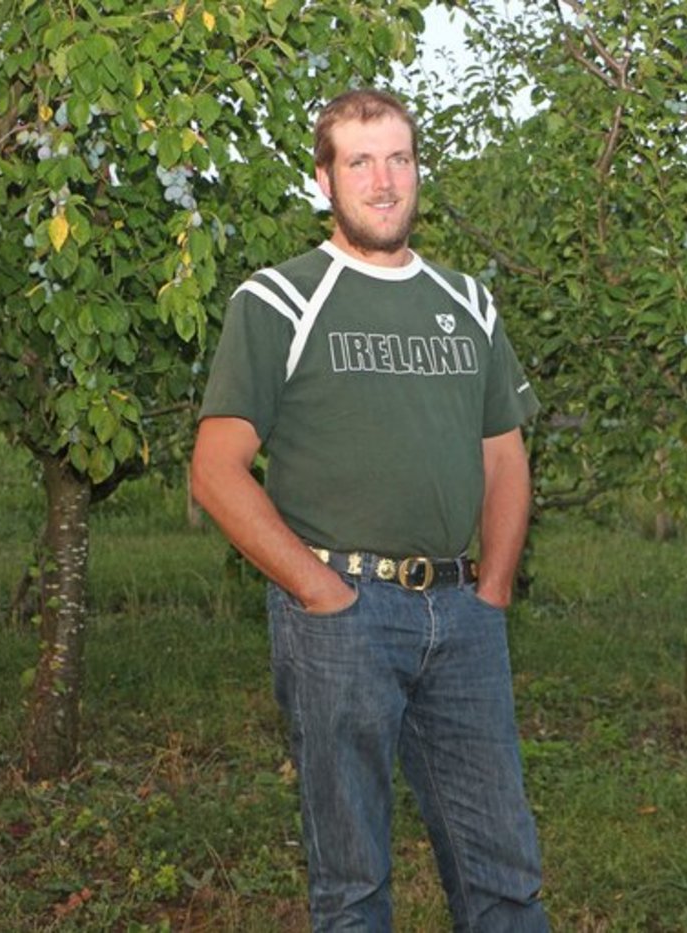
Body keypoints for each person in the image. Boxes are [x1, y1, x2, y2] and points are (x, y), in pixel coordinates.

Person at [190, 88, 549, 932]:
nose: (383, 181)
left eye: (399, 158)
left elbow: (505, 455)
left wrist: (493, 587)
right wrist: (319, 591)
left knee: (503, 870)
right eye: (359, 161)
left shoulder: (470, 301)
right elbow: (216, 470)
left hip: (463, 614)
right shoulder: (279, 299)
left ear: (419, 170)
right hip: (341, 616)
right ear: (325, 179)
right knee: (351, 885)